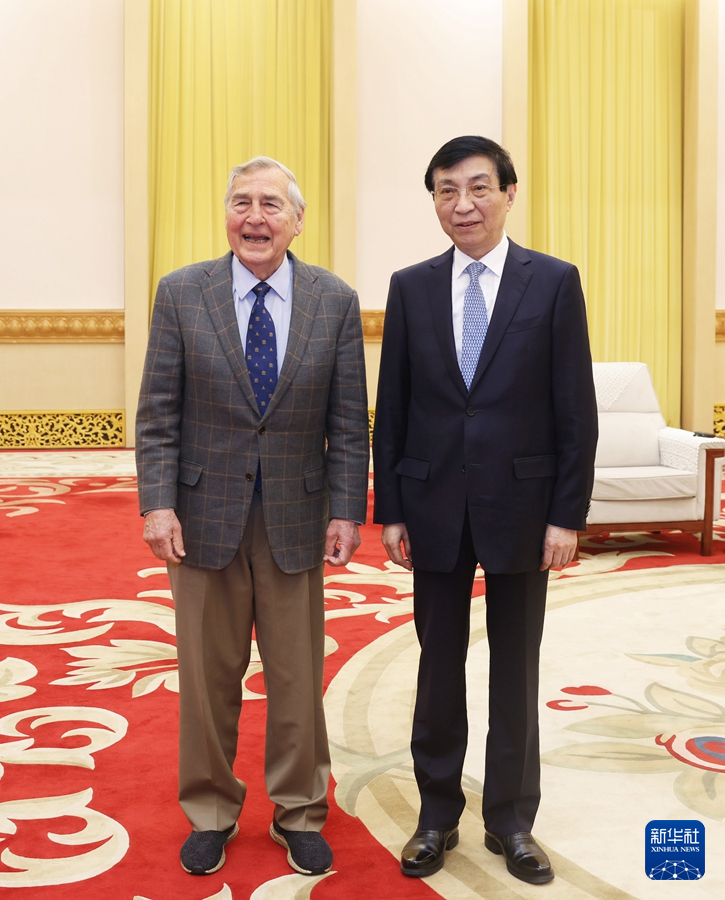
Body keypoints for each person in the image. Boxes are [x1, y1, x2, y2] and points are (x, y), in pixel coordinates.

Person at [373, 136, 597, 885]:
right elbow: (393, 405)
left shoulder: (553, 282)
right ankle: (436, 815)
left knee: (515, 668)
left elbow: (574, 407)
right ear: (434, 201)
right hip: (432, 502)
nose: (462, 204)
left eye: (477, 188)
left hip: (524, 507)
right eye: (446, 190)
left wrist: (566, 515)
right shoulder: (410, 286)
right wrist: (392, 509)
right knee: (437, 668)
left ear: (509, 193)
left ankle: (510, 819)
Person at [136, 156, 369, 878]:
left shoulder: (334, 300)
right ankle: (210, 810)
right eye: (241, 202)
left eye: (271, 204)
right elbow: (158, 413)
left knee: (297, 678)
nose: (255, 217)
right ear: (226, 214)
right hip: (202, 516)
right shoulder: (182, 293)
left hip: (296, 517)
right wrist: (158, 503)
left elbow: (347, 422)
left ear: (297, 220)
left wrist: (345, 509)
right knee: (206, 678)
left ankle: (299, 810)